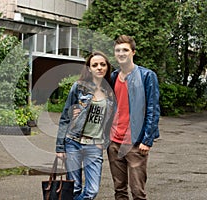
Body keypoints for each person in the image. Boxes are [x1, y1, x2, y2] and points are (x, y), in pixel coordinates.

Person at [56, 51, 115, 200]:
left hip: (94, 145)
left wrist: (104, 143)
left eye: (102, 64)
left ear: (107, 67)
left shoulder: (110, 91)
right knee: (74, 188)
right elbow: (65, 117)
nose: (99, 68)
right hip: (73, 142)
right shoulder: (78, 87)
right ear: (89, 68)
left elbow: (111, 121)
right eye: (95, 65)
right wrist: (60, 147)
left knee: (92, 191)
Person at [107, 35, 160, 200]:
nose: (121, 53)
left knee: (138, 192)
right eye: (118, 50)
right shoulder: (113, 77)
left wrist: (147, 140)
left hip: (136, 143)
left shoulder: (146, 76)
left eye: (125, 50)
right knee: (119, 190)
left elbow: (152, 108)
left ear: (133, 52)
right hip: (114, 142)